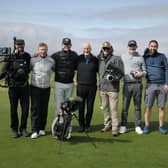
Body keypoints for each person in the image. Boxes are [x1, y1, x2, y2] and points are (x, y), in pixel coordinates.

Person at [0, 39, 31, 138]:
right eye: (18, 45)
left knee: (25, 109)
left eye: (21, 44)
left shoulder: (27, 56)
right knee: (14, 109)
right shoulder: (10, 57)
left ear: (24, 45)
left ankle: (23, 128)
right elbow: (4, 71)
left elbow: (30, 67)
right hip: (13, 87)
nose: (20, 46)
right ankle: (14, 129)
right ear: (15, 45)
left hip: (24, 87)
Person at [119, 40, 146, 135]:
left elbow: (145, 71)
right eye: (130, 46)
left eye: (133, 46)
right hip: (126, 84)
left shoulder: (141, 58)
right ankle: (123, 125)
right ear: (128, 47)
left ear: (136, 47)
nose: (132, 47)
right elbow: (118, 68)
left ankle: (137, 126)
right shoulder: (122, 56)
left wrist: (141, 73)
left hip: (137, 84)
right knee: (125, 106)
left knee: (137, 106)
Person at [98, 41, 123, 136]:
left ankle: (115, 128)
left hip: (113, 88)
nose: (106, 50)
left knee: (113, 109)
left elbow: (121, 73)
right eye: (104, 48)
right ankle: (107, 125)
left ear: (110, 48)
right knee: (105, 109)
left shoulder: (116, 59)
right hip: (103, 88)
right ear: (102, 48)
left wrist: (114, 78)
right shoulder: (99, 59)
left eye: (107, 48)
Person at [30, 42, 55, 139]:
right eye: (41, 49)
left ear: (47, 50)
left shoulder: (51, 61)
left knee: (44, 109)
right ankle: (34, 130)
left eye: (44, 49)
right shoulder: (33, 60)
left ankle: (41, 129)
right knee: (35, 109)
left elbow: (55, 69)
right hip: (35, 87)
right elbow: (28, 70)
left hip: (46, 88)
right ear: (38, 50)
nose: (43, 51)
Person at [143, 40, 168, 134]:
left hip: (162, 85)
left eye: (155, 46)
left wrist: (167, 83)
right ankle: (146, 126)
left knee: (161, 107)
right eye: (151, 46)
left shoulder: (162, 56)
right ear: (149, 46)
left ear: (157, 47)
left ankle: (161, 126)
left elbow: (167, 69)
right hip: (150, 85)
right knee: (148, 107)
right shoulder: (145, 57)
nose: (153, 48)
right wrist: (146, 51)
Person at [51, 38, 78, 116]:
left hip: (70, 84)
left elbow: (78, 65)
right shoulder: (56, 55)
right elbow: (47, 60)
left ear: (71, 45)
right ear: (62, 45)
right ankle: (58, 124)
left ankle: (67, 125)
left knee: (68, 105)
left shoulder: (74, 55)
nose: (66, 46)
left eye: (68, 44)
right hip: (58, 83)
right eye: (65, 44)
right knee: (59, 104)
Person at [77, 43, 98, 132]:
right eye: (85, 48)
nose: (86, 50)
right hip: (80, 86)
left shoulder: (95, 59)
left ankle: (87, 125)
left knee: (90, 107)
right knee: (81, 107)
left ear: (90, 49)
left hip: (92, 87)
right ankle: (81, 125)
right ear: (83, 49)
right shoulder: (78, 58)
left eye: (88, 48)